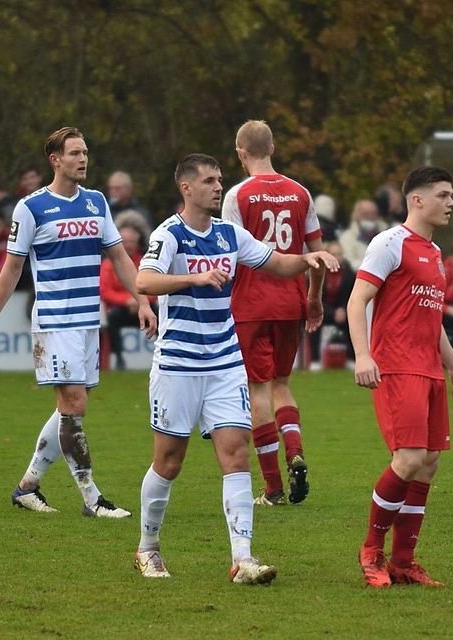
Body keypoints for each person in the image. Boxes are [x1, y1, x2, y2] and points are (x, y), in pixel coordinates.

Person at [132, 153, 338, 582]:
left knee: (236, 455)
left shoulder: (230, 233)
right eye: (209, 181)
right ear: (186, 188)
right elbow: (144, 281)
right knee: (169, 462)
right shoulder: (170, 235)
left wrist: (308, 260)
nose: (218, 186)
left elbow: (276, 262)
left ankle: (243, 559)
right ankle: (147, 548)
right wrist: (193, 278)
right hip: (178, 365)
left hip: (225, 362)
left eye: (220, 179)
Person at [0, 126, 156, 517]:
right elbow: (12, 267)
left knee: (70, 409)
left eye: (85, 152)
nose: (83, 159)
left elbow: (119, 257)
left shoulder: (96, 202)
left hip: (90, 320)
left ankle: (27, 487)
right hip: (54, 321)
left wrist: (141, 300)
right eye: (74, 153)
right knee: (74, 404)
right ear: (55, 160)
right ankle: (92, 499)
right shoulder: (31, 207)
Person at [349, 166, 453, 589]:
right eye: (443, 194)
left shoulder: (435, 254)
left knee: (429, 464)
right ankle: (371, 552)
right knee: (408, 459)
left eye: (452, 194)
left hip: (429, 370)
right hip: (397, 366)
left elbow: (432, 319)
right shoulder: (389, 243)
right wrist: (363, 355)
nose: (451, 202)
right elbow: (356, 300)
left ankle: (404, 561)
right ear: (416, 200)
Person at [221, 119, 325, 506]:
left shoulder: (237, 196)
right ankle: (294, 451)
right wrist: (314, 299)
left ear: (240, 153)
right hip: (290, 302)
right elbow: (316, 255)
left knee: (257, 389)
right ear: (274, 147)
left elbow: (229, 254)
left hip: (250, 304)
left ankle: (272, 488)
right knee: (282, 383)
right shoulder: (301, 193)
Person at [99, 222, 150, 370]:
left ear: (137, 243)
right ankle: (119, 359)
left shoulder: (146, 262)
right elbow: (105, 291)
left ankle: (166, 354)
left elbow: (154, 286)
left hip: (144, 306)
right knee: (113, 318)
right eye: (125, 242)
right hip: (119, 309)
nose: (128, 245)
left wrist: (141, 302)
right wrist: (127, 301)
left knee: (161, 315)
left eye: (131, 242)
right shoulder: (108, 264)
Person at [309, 240, 355, 367]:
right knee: (313, 323)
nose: (337, 258)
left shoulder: (350, 275)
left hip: (343, 312)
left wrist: (343, 311)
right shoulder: (317, 273)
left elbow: (352, 297)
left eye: (340, 254)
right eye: (334, 254)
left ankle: (352, 359)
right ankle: (315, 361)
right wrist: (333, 313)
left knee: (353, 323)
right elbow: (313, 298)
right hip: (323, 311)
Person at [339, 198, 387, 270]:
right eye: (365, 214)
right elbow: (349, 262)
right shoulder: (347, 237)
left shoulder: (387, 234)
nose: (370, 217)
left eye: (373, 213)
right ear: (357, 215)